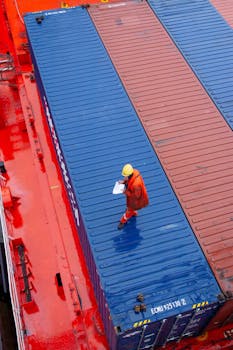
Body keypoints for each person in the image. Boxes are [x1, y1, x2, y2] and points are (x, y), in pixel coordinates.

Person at [118, 164, 149, 230]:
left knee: (129, 211)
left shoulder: (136, 185)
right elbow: (129, 181)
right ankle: (134, 213)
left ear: (129, 175)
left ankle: (122, 221)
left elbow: (135, 196)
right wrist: (124, 182)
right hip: (134, 199)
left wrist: (125, 192)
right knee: (131, 209)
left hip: (136, 201)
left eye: (125, 176)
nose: (124, 177)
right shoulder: (134, 172)